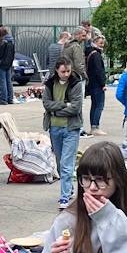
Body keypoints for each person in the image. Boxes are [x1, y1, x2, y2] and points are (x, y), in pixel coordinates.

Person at [43, 56, 86, 208]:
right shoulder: (49, 84)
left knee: (67, 164)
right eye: (63, 71)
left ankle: (64, 197)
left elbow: (76, 107)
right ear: (57, 70)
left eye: (68, 71)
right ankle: (70, 189)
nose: (66, 74)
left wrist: (56, 111)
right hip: (54, 128)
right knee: (61, 164)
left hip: (71, 128)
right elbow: (46, 104)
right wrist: (63, 105)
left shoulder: (75, 83)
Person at [0, 25, 15, 104]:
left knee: (3, 82)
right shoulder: (11, 41)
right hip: (8, 64)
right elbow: (12, 54)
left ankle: (3, 99)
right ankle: (10, 98)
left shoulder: (3, 41)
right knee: (9, 81)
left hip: (1, 64)